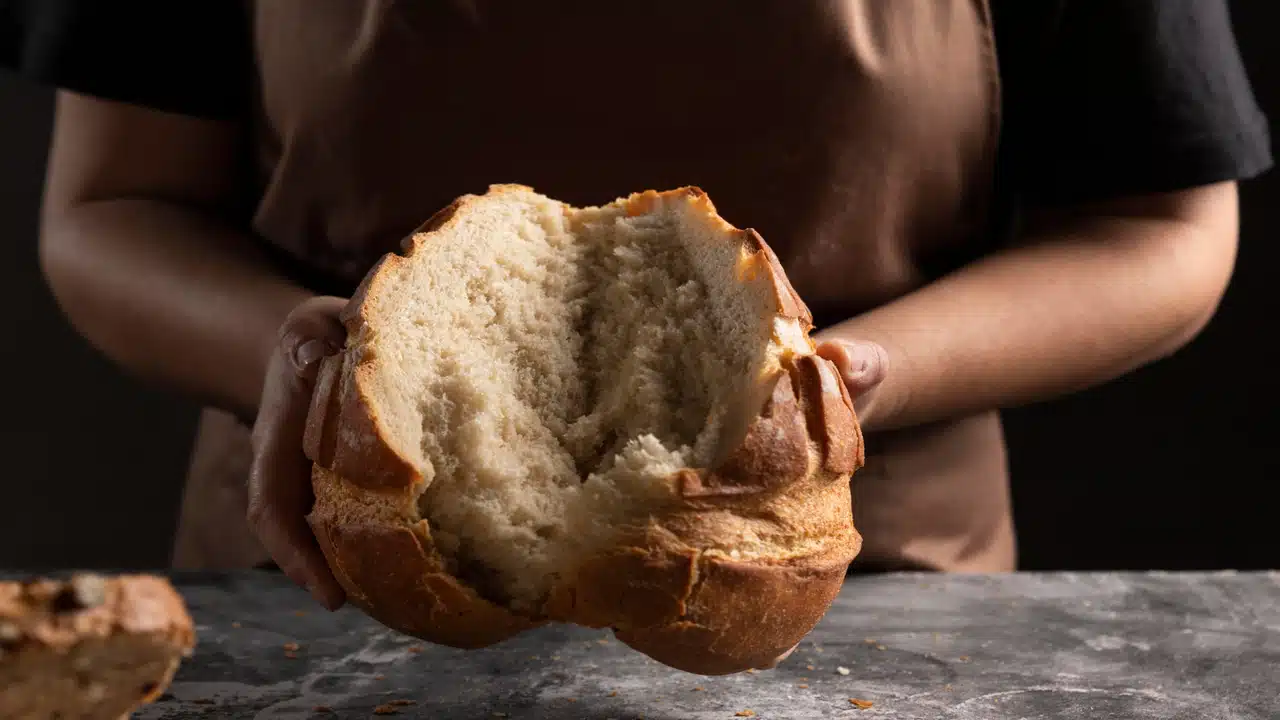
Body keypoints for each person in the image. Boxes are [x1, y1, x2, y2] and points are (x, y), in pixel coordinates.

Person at [0, 1, 1270, 613]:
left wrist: (850, 376)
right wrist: (308, 356)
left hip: (867, 605)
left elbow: (1161, 228)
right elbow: (111, 211)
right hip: (337, 588)